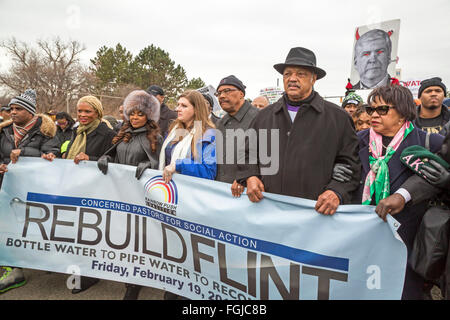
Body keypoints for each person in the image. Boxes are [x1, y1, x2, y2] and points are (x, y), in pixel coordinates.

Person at [236, 47, 361, 216]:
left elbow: (349, 164)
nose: (292, 79)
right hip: (267, 212)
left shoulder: (338, 118)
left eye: (300, 74)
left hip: (314, 216)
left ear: (313, 78)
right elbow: (247, 153)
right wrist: (250, 176)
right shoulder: (263, 117)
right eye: (288, 74)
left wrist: (336, 191)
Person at [349, 84, 444, 300]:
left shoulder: (429, 142)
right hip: (363, 240)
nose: (374, 114)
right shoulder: (357, 141)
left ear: (402, 112)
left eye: (382, 110)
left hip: (406, 242)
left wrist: (404, 194)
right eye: (371, 109)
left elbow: (436, 180)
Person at [42, 95, 115, 294]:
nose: (82, 115)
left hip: (95, 190)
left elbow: (113, 160)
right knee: (75, 230)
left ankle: (91, 274)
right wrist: (54, 155)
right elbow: (63, 149)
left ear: (97, 113)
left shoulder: (107, 133)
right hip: (74, 187)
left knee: (91, 232)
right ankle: (76, 266)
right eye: (79, 111)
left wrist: (90, 158)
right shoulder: (75, 131)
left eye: (87, 112)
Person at [97, 90, 162, 300]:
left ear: (148, 116)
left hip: (142, 196)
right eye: (131, 114)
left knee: (140, 238)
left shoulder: (154, 136)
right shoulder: (123, 133)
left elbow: (160, 163)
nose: (134, 118)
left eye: (139, 114)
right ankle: (129, 276)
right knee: (123, 236)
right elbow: (113, 153)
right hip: (120, 193)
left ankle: (135, 282)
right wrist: (106, 158)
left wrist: (149, 165)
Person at [159, 89, 216, 300]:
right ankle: (173, 286)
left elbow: (209, 172)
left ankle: (189, 293)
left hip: (192, 203)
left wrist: (179, 165)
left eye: (184, 105)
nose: (178, 108)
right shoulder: (175, 130)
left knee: (191, 251)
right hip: (169, 198)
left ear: (196, 109)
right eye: (178, 104)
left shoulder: (209, 133)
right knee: (172, 247)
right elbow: (164, 160)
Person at [0, 89, 57, 293]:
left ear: (31, 112)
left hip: (34, 191)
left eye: (18, 109)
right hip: (7, 188)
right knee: (7, 226)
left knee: (32, 227)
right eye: (11, 109)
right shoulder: (4, 131)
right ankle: (14, 269)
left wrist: (22, 153)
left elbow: (52, 154)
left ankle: (44, 260)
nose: (12, 112)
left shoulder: (47, 131)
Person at [213, 75, 259, 195]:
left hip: (249, 196)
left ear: (241, 94)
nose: (222, 96)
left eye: (227, 91)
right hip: (221, 193)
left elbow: (269, 158)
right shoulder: (220, 123)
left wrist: (245, 177)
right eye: (219, 93)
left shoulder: (260, 118)